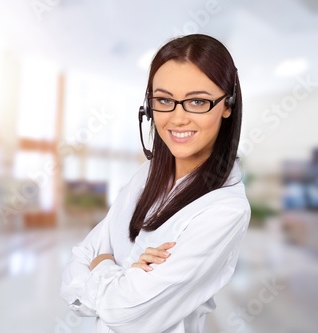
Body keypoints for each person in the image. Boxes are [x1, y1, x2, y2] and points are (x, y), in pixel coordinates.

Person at [60, 34, 251, 333]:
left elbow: (127, 316)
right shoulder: (145, 176)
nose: (177, 118)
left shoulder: (226, 209)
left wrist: (104, 264)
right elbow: (73, 276)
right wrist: (124, 277)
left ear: (227, 105)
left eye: (197, 101)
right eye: (164, 100)